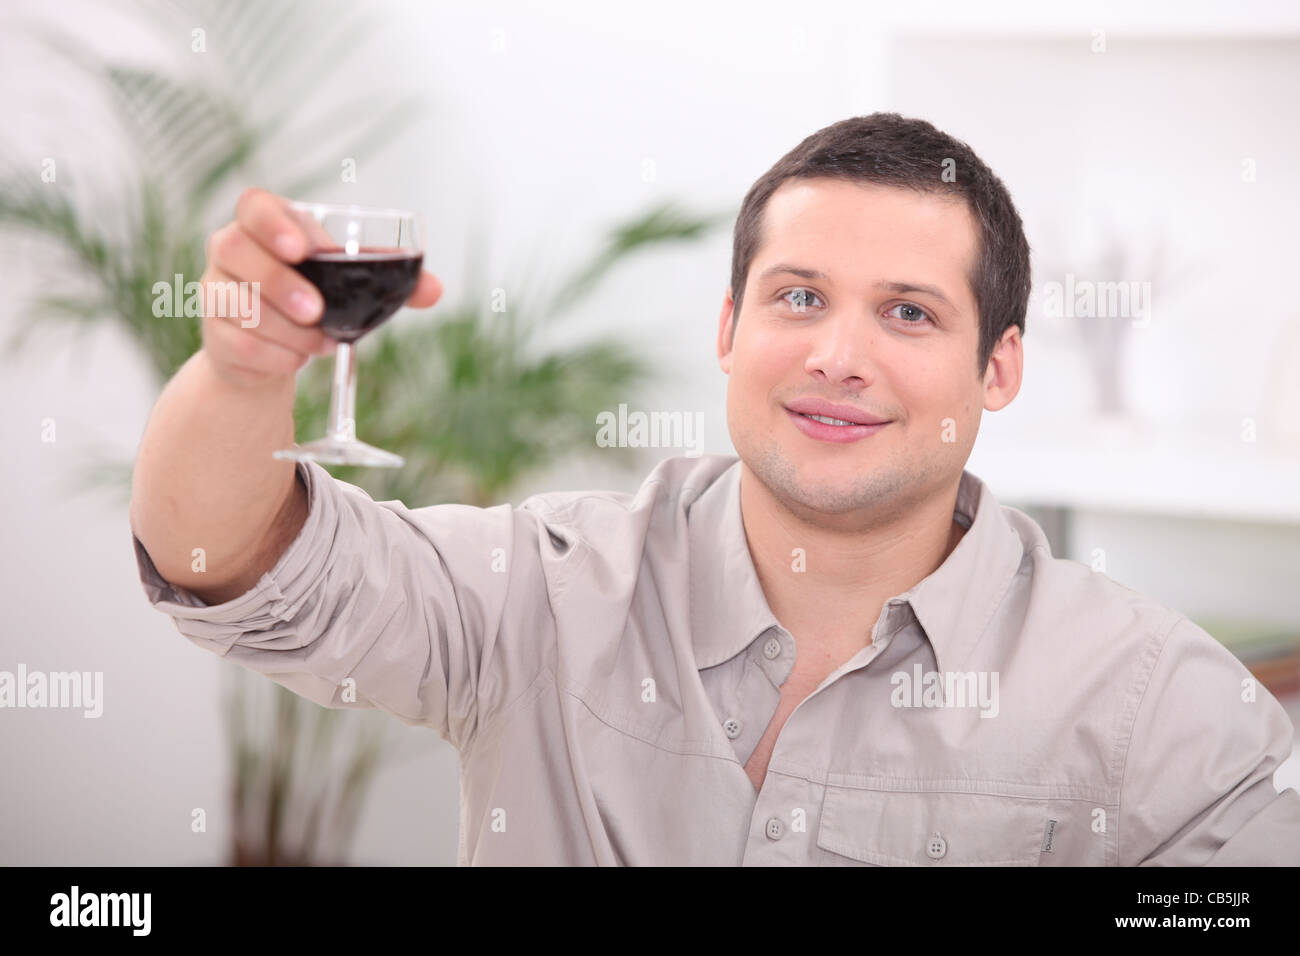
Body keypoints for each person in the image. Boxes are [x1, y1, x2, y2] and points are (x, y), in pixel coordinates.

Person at [129, 112, 1300, 865]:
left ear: (997, 367)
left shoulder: (1147, 700)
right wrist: (242, 373)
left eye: (907, 311)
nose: (838, 354)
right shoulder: (543, 591)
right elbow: (233, 568)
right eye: (798, 296)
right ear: (730, 329)